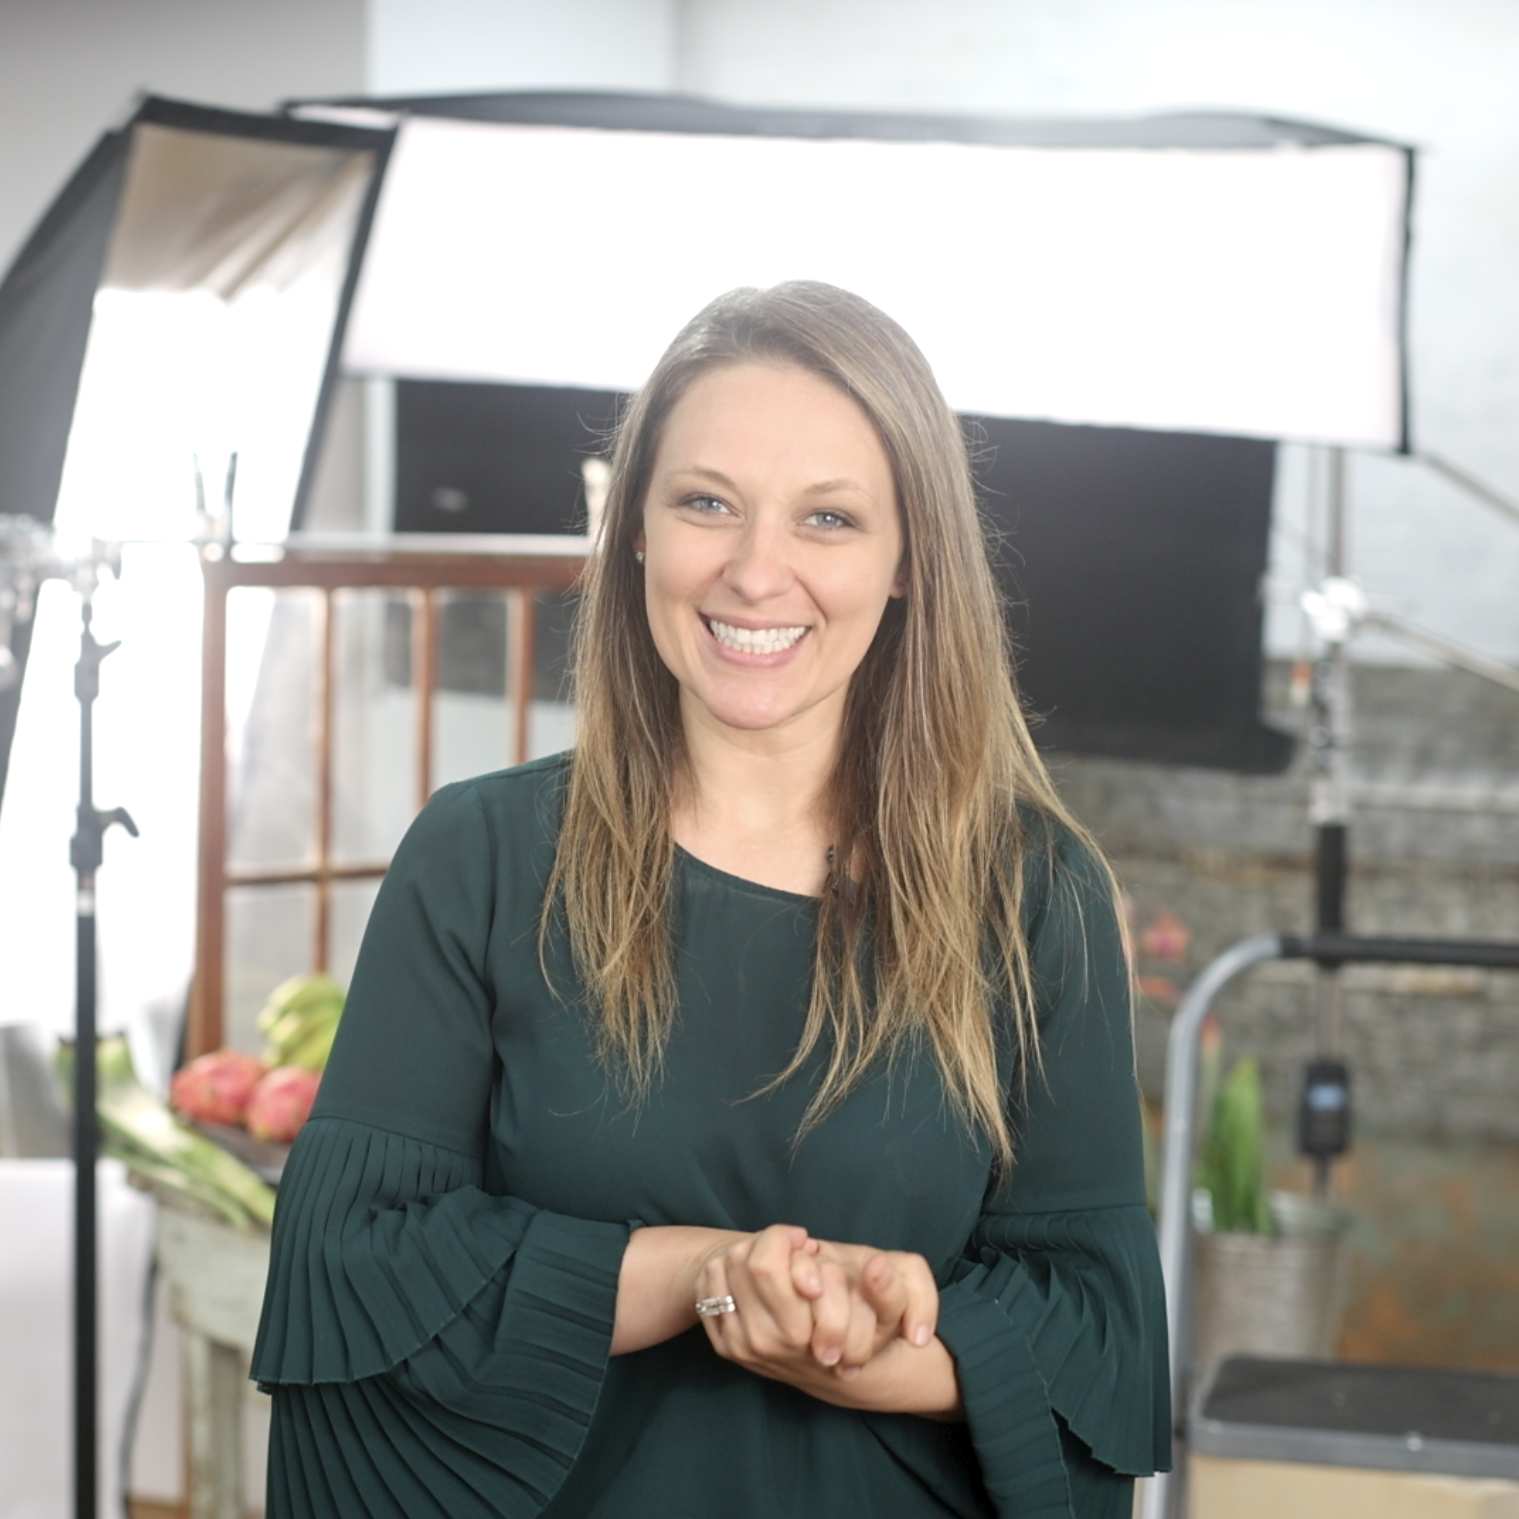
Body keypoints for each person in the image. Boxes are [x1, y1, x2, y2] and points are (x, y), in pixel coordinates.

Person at [252, 281, 1170, 1518]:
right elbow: (356, 1267)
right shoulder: (479, 857)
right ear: (634, 525)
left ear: (908, 562)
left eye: (829, 518)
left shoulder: (1032, 896)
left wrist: (870, 1350)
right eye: (705, 504)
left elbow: (1095, 1328)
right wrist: (694, 1273)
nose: (754, 571)